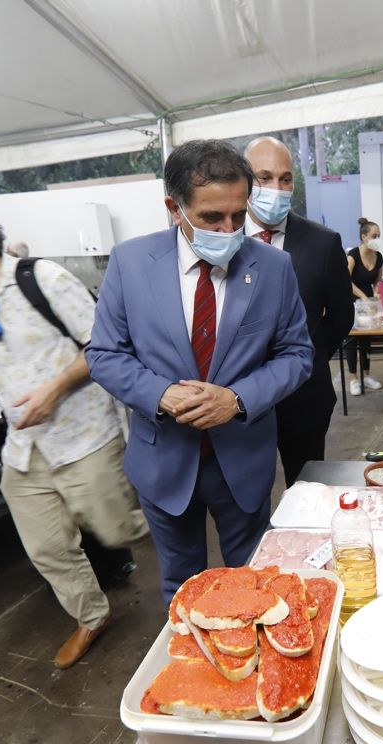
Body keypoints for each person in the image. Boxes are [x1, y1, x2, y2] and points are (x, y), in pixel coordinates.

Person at [0, 189, 150, 670]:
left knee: (116, 529)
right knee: (46, 547)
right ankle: (92, 617)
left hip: (83, 436)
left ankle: (178, 537)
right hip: (24, 449)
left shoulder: (43, 279)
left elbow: (102, 347)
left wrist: (54, 389)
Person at [86, 140, 313, 604]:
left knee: (250, 584)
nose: (230, 230)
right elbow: (104, 354)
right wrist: (161, 395)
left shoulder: (273, 267)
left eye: (238, 215)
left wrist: (238, 399)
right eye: (212, 218)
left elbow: (297, 355)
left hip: (241, 459)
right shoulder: (131, 264)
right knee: (180, 585)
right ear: (174, 208)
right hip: (163, 459)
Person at [243, 136, 353, 485]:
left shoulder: (322, 242)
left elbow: (339, 317)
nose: (276, 188)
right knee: (246, 495)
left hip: (304, 396)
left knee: (305, 490)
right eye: (264, 177)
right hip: (240, 396)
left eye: (285, 178)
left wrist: (305, 360)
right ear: (244, 179)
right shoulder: (223, 240)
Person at [344, 217, 383, 396]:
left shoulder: (379, 256)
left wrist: (376, 294)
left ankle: (366, 375)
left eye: (379, 236)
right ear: (364, 237)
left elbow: (378, 281)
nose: (377, 239)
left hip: (369, 302)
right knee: (352, 339)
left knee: (367, 339)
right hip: (352, 301)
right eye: (374, 235)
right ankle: (353, 378)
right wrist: (362, 298)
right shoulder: (352, 255)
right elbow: (345, 281)